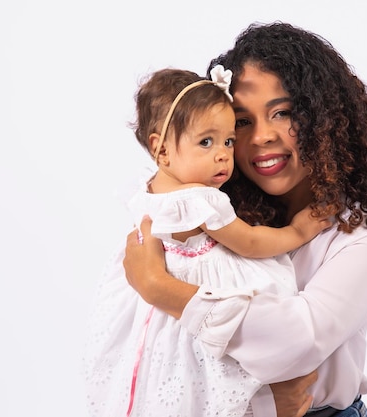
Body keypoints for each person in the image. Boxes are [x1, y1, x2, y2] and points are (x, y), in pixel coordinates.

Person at [123, 22, 367, 417]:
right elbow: (166, 342)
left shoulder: (363, 232)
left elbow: (299, 341)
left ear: (324, 119)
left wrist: (160, 288)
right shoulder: (212, 213)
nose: (261, 136)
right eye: (242, 122)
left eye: (283, 113)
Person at [83, 65, 330, 417]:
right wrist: (299, 231)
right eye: (206, 142)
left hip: (151, 313)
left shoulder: (148, 189)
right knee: (213, 373)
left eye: (229, 140)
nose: (223, 155)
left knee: (163, 374)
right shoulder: (201, 199)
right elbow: (249, 243)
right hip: (193, 299)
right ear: (162, 149)